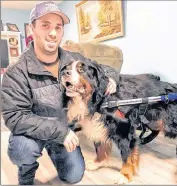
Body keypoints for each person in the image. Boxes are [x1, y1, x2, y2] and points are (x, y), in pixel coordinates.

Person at [1, 1, 119, 185]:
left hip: (64, 129)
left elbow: (102, 68)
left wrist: (112, 78)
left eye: (58, 27)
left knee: (74, 176)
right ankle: (26, 171)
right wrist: (60, 131)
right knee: (21, 150)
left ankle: (55, 150)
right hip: (35, 131)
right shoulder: (16, 71)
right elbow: (15, 117)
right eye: (45, 25)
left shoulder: (73, 59)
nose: (53, 33)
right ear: (32, 29)